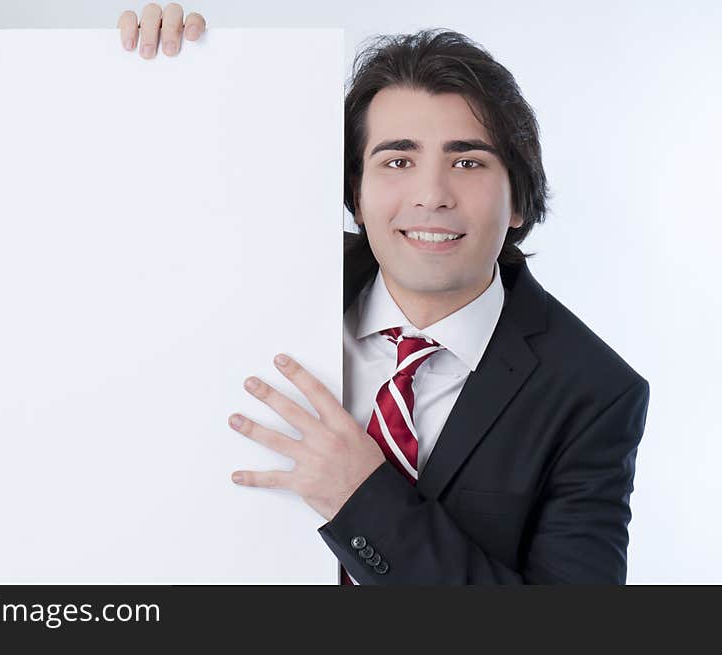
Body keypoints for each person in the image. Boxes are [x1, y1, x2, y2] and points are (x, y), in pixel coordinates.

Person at [116, 4, 651, 584]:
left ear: (519, 200)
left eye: (468, 161)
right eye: (398, 160)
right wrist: (168, 72)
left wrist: (360, 497)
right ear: (356, 192)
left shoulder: (594, 393)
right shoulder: (261, 276)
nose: (432, 195)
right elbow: (151, 222)